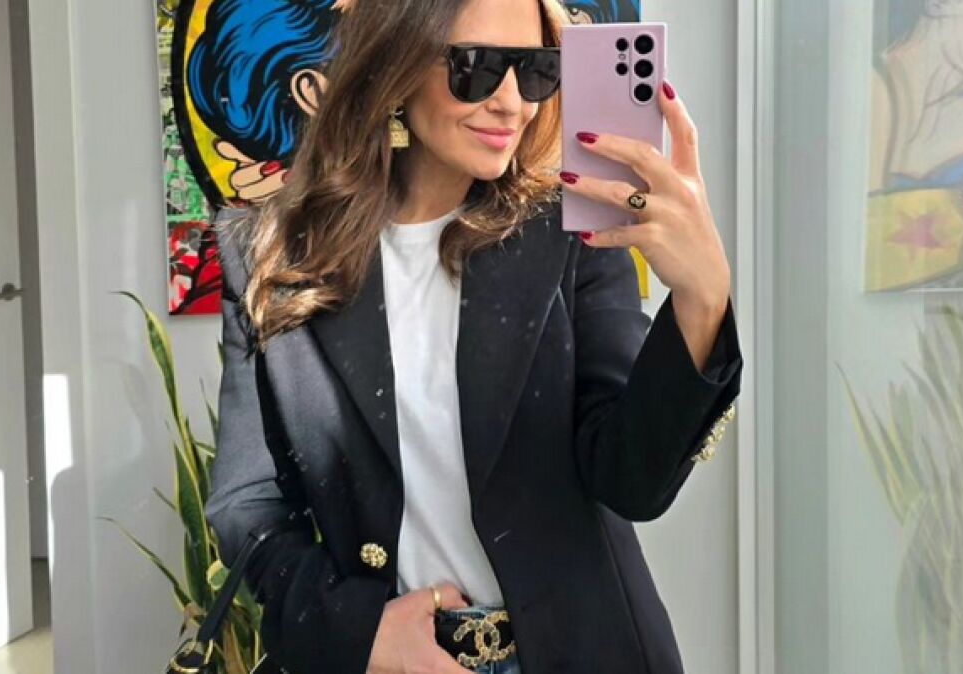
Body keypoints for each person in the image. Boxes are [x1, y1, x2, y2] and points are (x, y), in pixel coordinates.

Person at [205, 0, 743, 671]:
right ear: (395, 63)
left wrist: (700, 299)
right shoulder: (270, 254)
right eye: (477, 66)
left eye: (535, 69)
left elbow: (631, 481)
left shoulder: (569, 235)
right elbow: (247, 504)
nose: (511, 102)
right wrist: (361, 633)